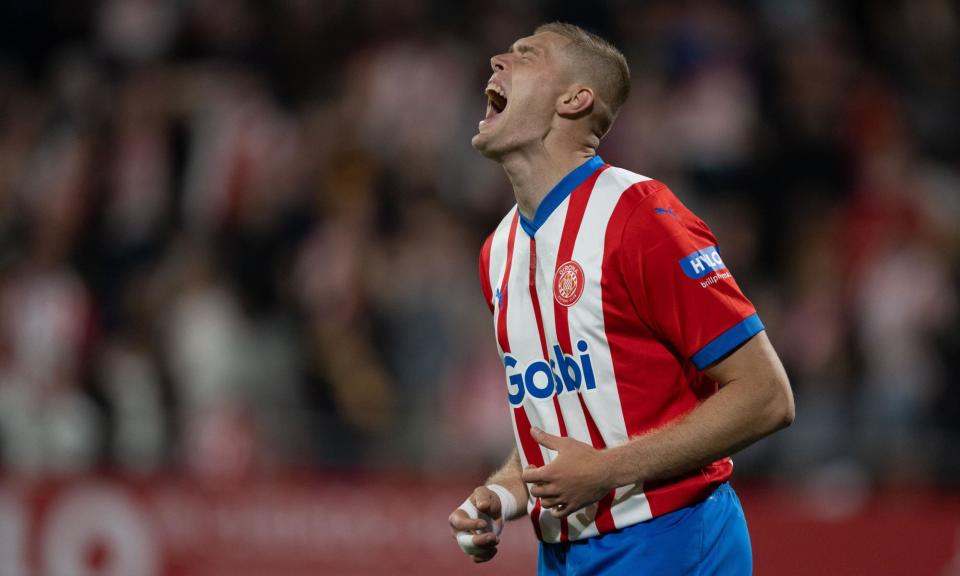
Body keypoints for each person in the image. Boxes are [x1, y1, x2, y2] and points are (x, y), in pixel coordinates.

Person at [447, 22, 795, 575]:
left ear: (575, 99)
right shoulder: (498, 251)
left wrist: (607, 471)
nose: (496, 60)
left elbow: (767, 396)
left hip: (670, 539)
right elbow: (568, 423)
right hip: (560, 556)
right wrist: (505, 496)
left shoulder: (639, 219)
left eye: (525, 54)